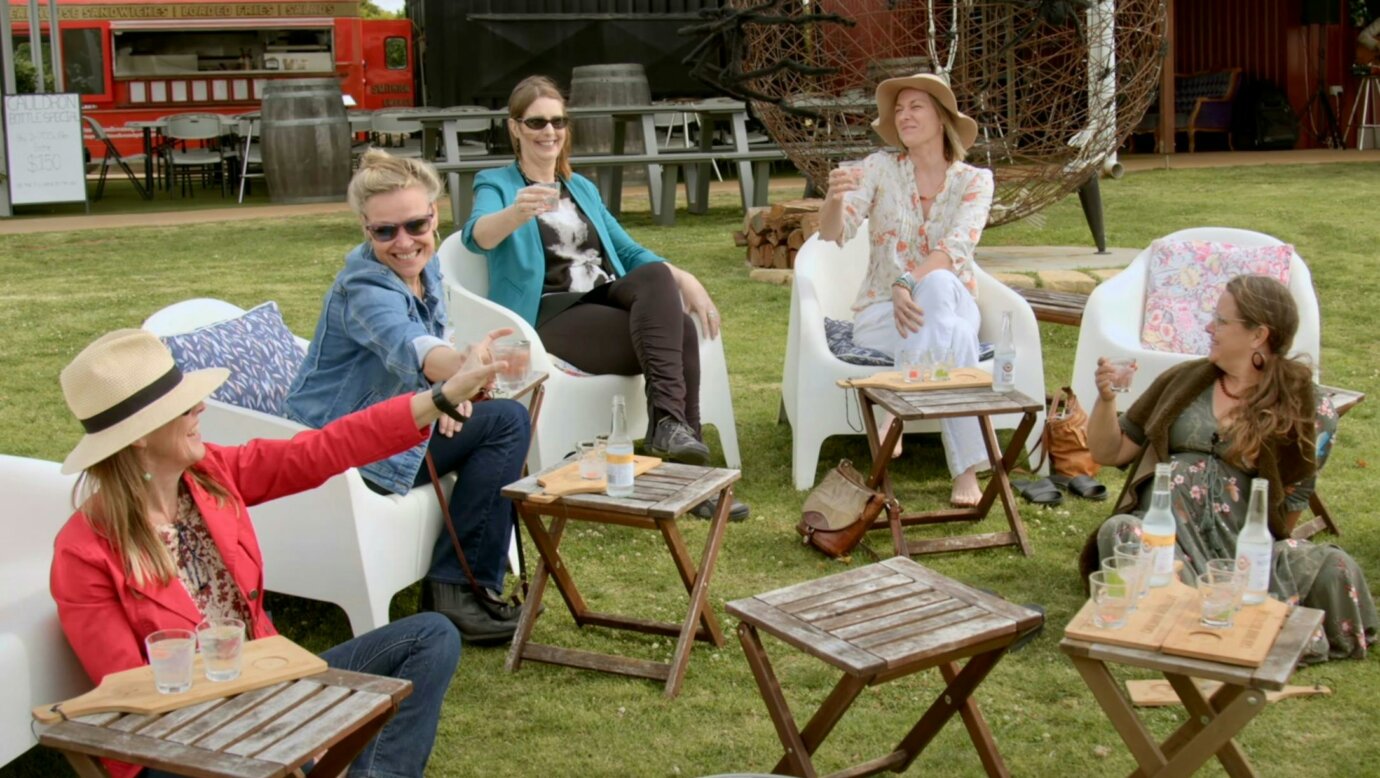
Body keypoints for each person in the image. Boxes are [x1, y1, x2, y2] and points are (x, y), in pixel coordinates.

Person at [50, 329, 495, 778]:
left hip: (268, 686)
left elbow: (327, 449)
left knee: (431, 637)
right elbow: (134, 696)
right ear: (140, 436)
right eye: (184, 407)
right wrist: (275, 722)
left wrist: (443, 396)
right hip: (178, 740)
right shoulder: (84, 553)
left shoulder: (212, 475)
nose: (200, 408)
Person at [461, 74, 748, 521]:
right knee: (683, 336)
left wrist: (684, 276)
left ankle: (670, 433)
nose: (549, 132)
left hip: (601, 295)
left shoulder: (582, 188)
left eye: (557, 121)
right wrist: (516, 212)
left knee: (656, 278)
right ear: (515, 127)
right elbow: (476, 238)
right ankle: (686, 470)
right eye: (536, 122)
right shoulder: (496, 183)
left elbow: (629, 252)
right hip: (551, 312)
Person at [284, 150, 531, 644]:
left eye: (415, 224)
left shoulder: (426, 266)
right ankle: (458, 592)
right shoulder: (364, 285)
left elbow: (428, 349)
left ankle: (461, 584)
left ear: (435, 214)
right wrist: (463, 373)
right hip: (340, 449)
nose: (403, 242)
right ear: (365, 229)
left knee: (495, 418)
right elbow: (413, 346)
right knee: (505, 423)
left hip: (389, 426)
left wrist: (447, 398)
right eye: (385, 231)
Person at [1081, 275, 1376, 663]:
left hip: (1244, 555)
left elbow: (1295, 497)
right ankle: (1222, 615)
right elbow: (1109, 451)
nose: (1209, 327)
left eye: (1221, 321)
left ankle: (1212, 610)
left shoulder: (1306, 406)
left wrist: (1259, 553)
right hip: (1168, 544)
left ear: (1258, 335)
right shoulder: (1182, 381)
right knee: (1120, 532)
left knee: (1334, 566)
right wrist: (1105, 400)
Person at [817, 72, 995, 507]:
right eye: (898, 109)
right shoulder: (879, 168)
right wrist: (834, 200)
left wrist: (905, 282)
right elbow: (832, 234)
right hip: (882, 315)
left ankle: (895, 405)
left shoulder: (976, 180)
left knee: (937, 285)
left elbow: (955, 250)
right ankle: (967, 470)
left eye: (915, 106)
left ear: (941, 118)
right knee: (953, 336)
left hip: (946, 298)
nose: (903, 115)